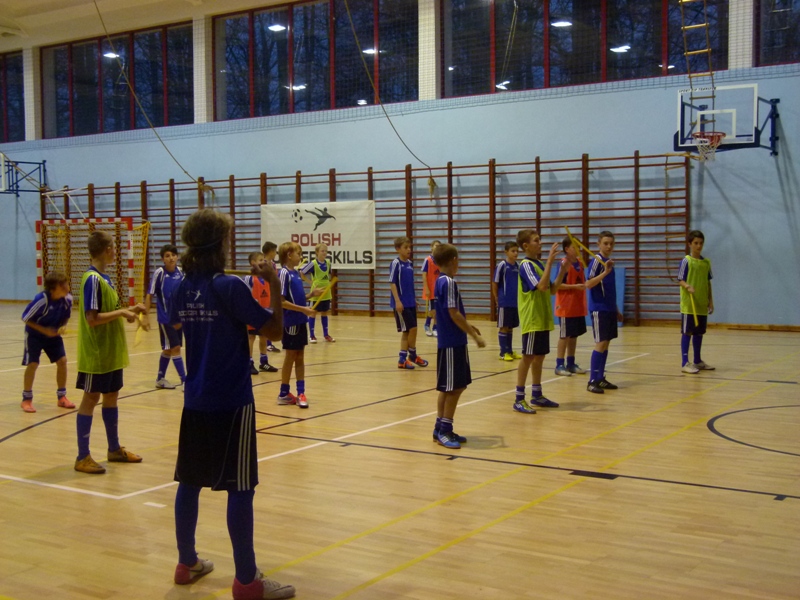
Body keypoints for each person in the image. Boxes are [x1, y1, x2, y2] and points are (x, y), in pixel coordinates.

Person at [168, 208, 295, 600]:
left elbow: (176, 323)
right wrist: (273, 283)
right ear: (217, 244)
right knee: (240, 487)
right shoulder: (229, 286)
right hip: (232, 401)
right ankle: (246, 580)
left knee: (190, 481)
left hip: (195, 398)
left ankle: (186, 562)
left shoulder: (180, 287)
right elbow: (275, 330)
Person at [74, 230, 146, 474]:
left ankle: (114, 449)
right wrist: (122, 312)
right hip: (96, 353)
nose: (115, 251)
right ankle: (82, 456)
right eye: (113, 247)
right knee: (91, 398)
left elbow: (109, 312)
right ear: (106, 250)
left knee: (112, 395)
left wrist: (130, 310)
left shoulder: (105, 279)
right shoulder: (92, 279)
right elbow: (92, 319)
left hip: (111, 352)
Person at [431, 244, 486, 449]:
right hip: (452, 342)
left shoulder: (440, 281)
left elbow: (449, 313)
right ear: (454, 260)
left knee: (448, 388)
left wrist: (468, 325)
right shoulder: (449, 283)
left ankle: (440, 427)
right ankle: (445, 431)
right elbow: (453, 313)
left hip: (449, 341)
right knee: (455, 387)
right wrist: (473, 336)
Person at [513, 229, 560, 414]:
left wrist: (562, 270)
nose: (540, 243)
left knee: (539, 356)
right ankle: (519, 398)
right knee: (528, 356)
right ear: (526, 246)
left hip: (542, 318)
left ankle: (537, 394)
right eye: (536, 240)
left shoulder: (538, 264)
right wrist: (549, 262)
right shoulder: (525, 265)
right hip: (532, 318)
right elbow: (540, 286)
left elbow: (552, 289)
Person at [553, 237, 613, 376]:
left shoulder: (579, 263)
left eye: (579, 247)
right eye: (574, 247)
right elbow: (557, 285)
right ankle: (559, 364)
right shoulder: (563, 264)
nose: (578, 249)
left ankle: (571, 362)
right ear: (567, 249)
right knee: (564, 336)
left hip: (577, 305)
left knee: (573, 336)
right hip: (565, 306)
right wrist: (574, 286)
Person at [20, 271, 75, 413]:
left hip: (53, 335)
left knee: (62, 361)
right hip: (34, 335)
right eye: (63, 284)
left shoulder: (68, 299)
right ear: (54, 287)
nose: (67, 286)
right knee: (33, 364)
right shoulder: (42, 300)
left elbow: (66, 317)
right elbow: (25, 317)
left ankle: (62, 397)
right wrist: (44, 331)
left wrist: (63, 326)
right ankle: (26, 399)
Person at [277, 242, 317, 408]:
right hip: (291, 321)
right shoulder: (284, 273)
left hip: (300, 320)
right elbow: (281, 301)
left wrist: (310, 295)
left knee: (300, 356)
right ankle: (283, 393)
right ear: (289, 255)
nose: (300, 257)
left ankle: (301, 392)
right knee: (291, 356)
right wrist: (303, 310)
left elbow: (297, 298)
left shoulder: (295, 273)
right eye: (298, 254)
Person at [143, 243, 186, 389]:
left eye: (173, 255)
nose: (171, 258)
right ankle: (185, 381)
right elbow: (149, 294)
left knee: (168, 349)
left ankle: (160, 379)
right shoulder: (159, 273)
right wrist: (145, 316)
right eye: (167, 256)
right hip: (166, 318)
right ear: (163, 259)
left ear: (177, 257)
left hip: (179, 318)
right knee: (176, 348)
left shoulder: (181, 273)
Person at [586, 230, 622, 394]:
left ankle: (600, 377)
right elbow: (589, 284)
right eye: (605, 243)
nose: (609, 246)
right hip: (599, 309)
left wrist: (616, 309)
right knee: (600, 343)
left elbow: (609, 289)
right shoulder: (597, 262)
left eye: (611, 244)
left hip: (609, 309)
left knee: (606, 342)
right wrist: (605, 272)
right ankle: (592, 380)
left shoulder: (609, 262)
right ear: (598, 244)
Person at [678, 230, 714, 374]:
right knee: (687, 332)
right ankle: (685, 363)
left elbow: (708, 283)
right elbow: (680, 280)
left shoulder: (706, 263)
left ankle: (697, 361)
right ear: (690, 244)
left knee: (699, 333)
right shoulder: (686, 261)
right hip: (689, 304)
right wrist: (687, 286)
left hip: (701, 304)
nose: (699, 246)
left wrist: (710, 301)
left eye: (701, 243)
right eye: (696, 243)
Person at [390, 236, 428, 369]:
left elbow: (409, 284)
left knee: (410, 330)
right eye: (405, 247)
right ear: (398, 249)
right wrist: (397, 301)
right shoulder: (396, 263)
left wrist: (414, 299)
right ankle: (409, 356)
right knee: (411, 329)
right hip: (401, 303)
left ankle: (405, 358)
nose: (409, 250)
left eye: (409, 247)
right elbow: (392, 283)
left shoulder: (410, 264)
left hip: (410, 302)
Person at [244, 251, 278, 374]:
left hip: (265, 313)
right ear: (253, 263)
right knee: (251, 337)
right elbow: (244, 295)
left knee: (264, 337)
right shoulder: (249, 278)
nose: (263, 262)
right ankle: (249, 362)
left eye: (264, 259)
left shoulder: (266, 277)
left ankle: (264, 362)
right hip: (253, 313)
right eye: (260, 260)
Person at [491, 241, 521, 361]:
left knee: (510, 327)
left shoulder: (517, 266)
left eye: (517, 251)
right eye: (513, 251)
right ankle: (503, 352)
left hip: (514, 302)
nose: (516, 253)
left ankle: (509, 351)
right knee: (503, 326)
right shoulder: (502, 265)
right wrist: (496, 298)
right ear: (506, 252)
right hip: (504, 302)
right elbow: (495, 282)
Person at [300, 242, 335, 343]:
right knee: (313, 313)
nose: (324, 253)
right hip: (316, 294)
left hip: (326, 293)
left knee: (324, 313)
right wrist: (310, 282)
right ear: (317, 252)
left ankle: (326, 335)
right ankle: (312, 336)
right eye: (322, 251)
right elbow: (302, 272)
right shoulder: (313, 263)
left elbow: (327, 275)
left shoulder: (328, 263)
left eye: (326, 251)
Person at [261, 241, 281, 353]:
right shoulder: (262, 263)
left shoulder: (272, 264)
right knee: (266, 317)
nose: (275, 253)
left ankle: (269, 343)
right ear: (270, 251)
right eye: (274, 251)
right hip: (264, 293)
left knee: (271, 317)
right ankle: (267, 344)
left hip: (271, 292)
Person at [421, 240, 441, 337]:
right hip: (430, 289)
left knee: (437, 310)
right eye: (435, 246)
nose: (437, 247)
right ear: (431, 247)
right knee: (432, 310)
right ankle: (427, 325)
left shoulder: (440, 260)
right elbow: (424, 275)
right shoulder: (428, 260)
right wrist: (427, 289)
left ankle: (435, 327)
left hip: (438, 289)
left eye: (439, 246)